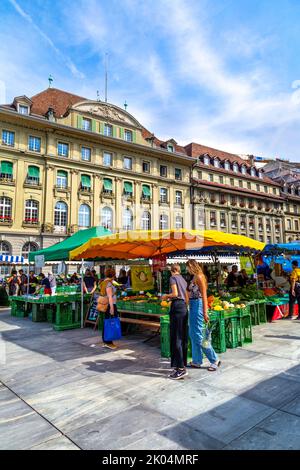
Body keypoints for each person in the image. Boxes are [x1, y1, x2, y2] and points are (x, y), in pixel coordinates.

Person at [186, 259, 221, 371]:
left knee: (199, 335)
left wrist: (205, 312)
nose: (187, 269)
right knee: (193, 334)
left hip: (198, 305)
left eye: (187, 267)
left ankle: (214, 359)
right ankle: (197, 361)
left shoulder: (200, 277)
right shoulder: (194, 277)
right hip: (193, 305)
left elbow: (204, 295)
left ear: (192, 266)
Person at [162, 264, 189, 380]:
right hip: (184, 307)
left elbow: (175, 294)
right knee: (182, 337)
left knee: (176, 337)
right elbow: (186, 297)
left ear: (172, 271)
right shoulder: (183, 279)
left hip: (177, 307)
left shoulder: (172, 278)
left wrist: (165, 296)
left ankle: (180, 369)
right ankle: (182, 365)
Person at [98, 267, 119, 350]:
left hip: (106, 305)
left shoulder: (104, 282)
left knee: (107, 322)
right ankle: (108, 342)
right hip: (110, 305)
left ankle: (105, 341)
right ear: (113, 275)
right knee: (110, 323)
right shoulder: (109, 284)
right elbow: (110, 297)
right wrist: (112, 309)